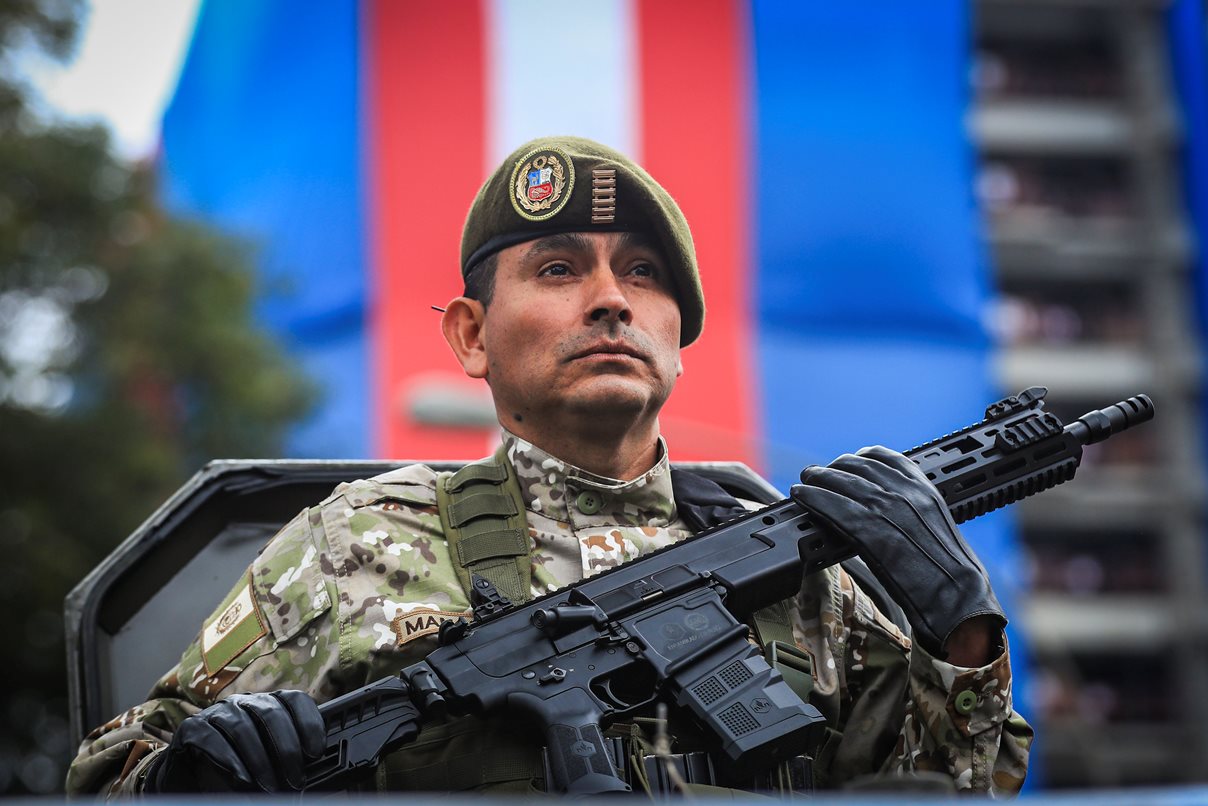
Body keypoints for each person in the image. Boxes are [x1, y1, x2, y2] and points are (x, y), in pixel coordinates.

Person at [66, 135, 1032, 797]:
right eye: (560, 269)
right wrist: (192, 769)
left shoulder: (794, 563)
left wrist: (963, 635)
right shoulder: (358, 542)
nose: (612, 300)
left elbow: (955, 791)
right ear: (471, 334)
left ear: (678, 340)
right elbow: (112, 771)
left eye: (643, 273)